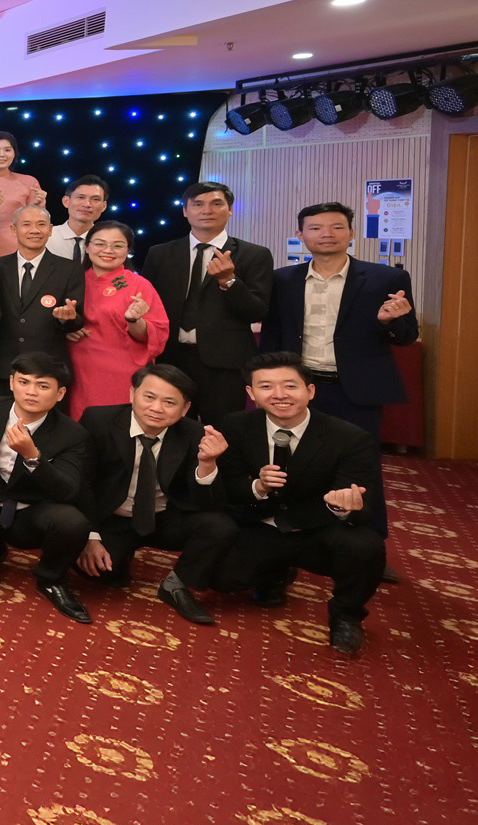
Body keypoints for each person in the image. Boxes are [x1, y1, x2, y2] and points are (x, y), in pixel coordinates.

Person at [259, 201, 415, 542]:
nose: (326, 234)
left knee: (361, 465)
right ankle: (294, 532)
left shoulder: (386, 278)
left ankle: (367, 538)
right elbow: (272, 335)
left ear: (351, 233)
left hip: (355, 389)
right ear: (301, 234)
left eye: (336, 227)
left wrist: (390, 322)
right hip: (298, 388)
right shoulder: (282, 279)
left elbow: (407, 336)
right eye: (315, 228)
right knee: (292, 463)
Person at [211, 352, 386, 656]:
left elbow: (363, 505)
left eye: (290, 386)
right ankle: (275, 573)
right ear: (251, 393)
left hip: (317, 527)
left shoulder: (350, 438)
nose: (279, 395)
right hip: (261, 523)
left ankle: (346, 615)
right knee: (219, 577)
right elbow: (229, 485)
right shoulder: (235, 424)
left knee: (365, 546)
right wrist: (257, 487)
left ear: (310, 390)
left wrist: (342, 505)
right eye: (266, 387)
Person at [0, 353, 96, 623]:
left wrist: (33, 457)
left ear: (60, 394)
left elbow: (68, 490)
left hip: (30, 512)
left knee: (72, 522)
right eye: (24, 382)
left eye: (43, 386)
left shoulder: (72, 434)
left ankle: (50, 579)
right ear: (11, 382)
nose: (31, 392)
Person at [76, 364, 237, 626]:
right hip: (112, 516)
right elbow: (82, 482)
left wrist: (207, 465)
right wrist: (90, 536)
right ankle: (120, 558)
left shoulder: (194, 434)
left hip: (163, 517)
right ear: (132, 394)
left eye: (169, 402)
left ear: (185, 409)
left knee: (220, 526)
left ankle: (176, 585)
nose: (156, 408)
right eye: (149, 397)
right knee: (100, 573)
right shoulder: (99, 420)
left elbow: (210, 504)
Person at [143, 182, 273, 424]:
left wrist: (229, 282)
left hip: (224, 363)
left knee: (223, 430)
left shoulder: (254, 254)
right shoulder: (160, 253)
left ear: (230, 209)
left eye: (216, 204)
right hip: (171, 359)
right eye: (198, 204)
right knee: (171, 428)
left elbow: (257, 310)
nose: (207, 210)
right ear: (185, 211)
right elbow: (148, 305)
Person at [68, 220, 170, 417]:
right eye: (100, 244)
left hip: (122, 371)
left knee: (115, 423)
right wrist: (67, 327)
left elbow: (155, 335)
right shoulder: (71, 280)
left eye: (117, 245)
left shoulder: (139, 284)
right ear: (87, 247)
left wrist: (135, 320)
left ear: (128, 250)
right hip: (78, 368)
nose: (108, 250)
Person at [0, 205, 86, 386]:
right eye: (26, 224)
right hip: (2, 367)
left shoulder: (69, 269)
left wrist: (67, 318)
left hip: (49, 368)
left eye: (41, 224)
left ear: (50, 230)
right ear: (14, 229)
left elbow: (77, 320)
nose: (35, 230)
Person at [0, 131, 44, 257]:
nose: (2, 154)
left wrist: (36, 206)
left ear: (14, 154)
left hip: (18, 251)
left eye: (7, 150)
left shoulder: (29, 182)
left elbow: (38, 222)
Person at [50, 175, 109, 265]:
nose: (87, 204)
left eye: (95, 199)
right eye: (80, 197)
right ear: (66, 201)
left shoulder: (108, 241)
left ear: (104, 206)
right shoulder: (47, 237)